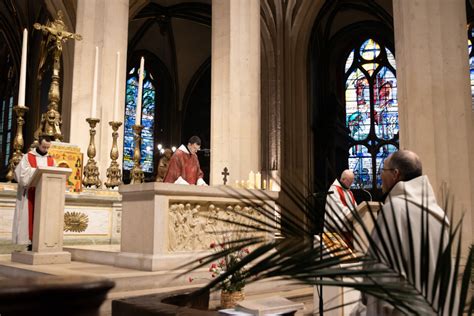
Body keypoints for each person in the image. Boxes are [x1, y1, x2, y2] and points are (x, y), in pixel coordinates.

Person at [364, 150, 452, 315]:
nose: (380, 176)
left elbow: (382, 279)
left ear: (395, 174)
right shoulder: (438, 215)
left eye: (382, 170)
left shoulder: (394, 211)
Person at [12, 135, 55, 250]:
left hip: (44, 194)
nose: (45, 150)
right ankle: (30, 241)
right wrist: (37, 171)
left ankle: (41, 241)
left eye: (47, 147)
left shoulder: (51, 159)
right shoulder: (28, 157)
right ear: (38, 144)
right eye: (43, 147)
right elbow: (20, 174)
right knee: (29, 218)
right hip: (30, 194)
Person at [325, 169, 357, 244]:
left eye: (352, 181)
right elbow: (338, 210)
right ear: (343, 179)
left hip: (349, 232)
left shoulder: (349, 192)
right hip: (337, 232)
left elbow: (357, 209)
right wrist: (354, 213)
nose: (351, 184)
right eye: (350, 181)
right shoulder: (333, 190)